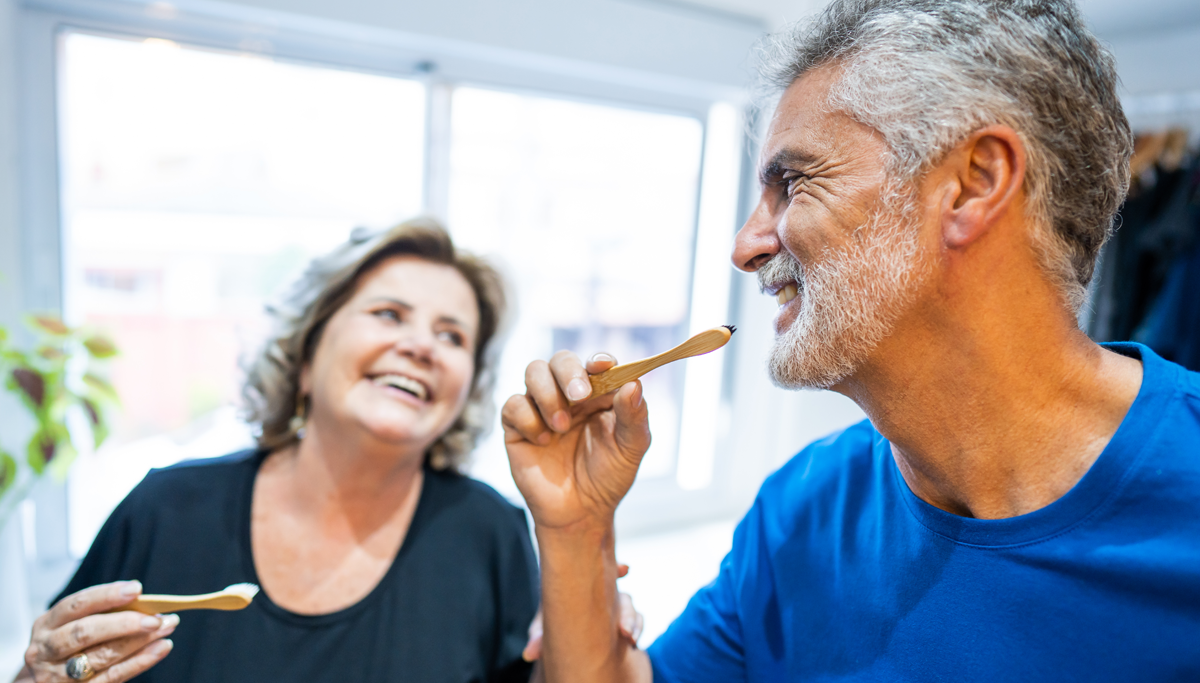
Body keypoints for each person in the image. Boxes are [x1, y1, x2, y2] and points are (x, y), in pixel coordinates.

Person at [501, 0, 1200, 681]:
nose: (746, 246)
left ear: (973, 183)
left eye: (794, 183)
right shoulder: (803, 508)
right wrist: (577, 527)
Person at [18, 219, 641, 683]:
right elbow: (57, 662)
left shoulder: (487, 531)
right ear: (307, 357)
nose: (422, 346)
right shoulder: (167, 508)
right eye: (389, 314)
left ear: (463, 391)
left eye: (452, 336)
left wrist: (584, 612)